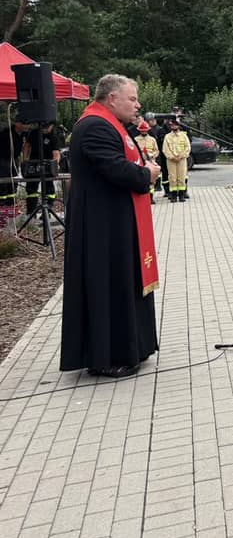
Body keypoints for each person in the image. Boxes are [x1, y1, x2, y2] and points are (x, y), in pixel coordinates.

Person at [60, 74, 161, 377]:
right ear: (112, 98)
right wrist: (147, 175)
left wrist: (144, 169)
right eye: (132, 99)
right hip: (100, 228)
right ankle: (109, 357)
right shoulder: (94, 126)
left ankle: (132, 347)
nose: (138, 105)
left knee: (124, 284)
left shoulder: (110, 124)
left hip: (115, 222)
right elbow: (115, 168)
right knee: (108, 287)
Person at [23, 121, 62, 216]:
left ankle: (47, 211)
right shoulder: (34, 133)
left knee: (49, 189)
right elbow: (27, 146)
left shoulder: (53, 137)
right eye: (43, 127)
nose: (44, 129)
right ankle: (31, 212)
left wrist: (55, 164)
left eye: (47, 127)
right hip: (33, 163)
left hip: (48, 165)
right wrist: (25, 160)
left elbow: (56, 153)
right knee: (31, 189)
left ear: (52, 126)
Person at [0, 119, 28, 228]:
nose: (26, 126)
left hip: (14, 160)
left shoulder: (23, 135)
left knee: (13, 184)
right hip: (3, 160)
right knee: (3, 185)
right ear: (16, 124)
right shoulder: (6, 134)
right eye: (23, 123)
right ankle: (2, 209)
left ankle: (10, 206)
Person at [162, 117, 191, 202]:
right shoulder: (167, 136)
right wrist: (172, 157)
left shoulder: (184, 136)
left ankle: (181, 195)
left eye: (175, 125)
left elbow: (187, 147)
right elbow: (165, 149)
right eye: (172, 125)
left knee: (181, 177)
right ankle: (173, 196)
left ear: (178, 126)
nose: (173, 127)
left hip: (182, 160)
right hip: (171, 160)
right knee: (172, 177)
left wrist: (181, 156)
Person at [133, 120, 160, 205]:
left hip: (151, 161)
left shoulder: (152, 139)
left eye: (145, 130)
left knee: (151, 180)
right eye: (142, 131)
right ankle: (143, 197)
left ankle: (151, 197)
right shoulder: (136, 139)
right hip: (141, 162)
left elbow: (157, 150)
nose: (144, 132)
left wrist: (153, 155)